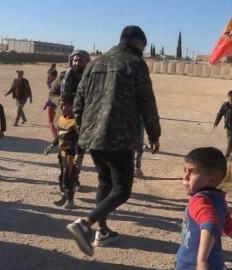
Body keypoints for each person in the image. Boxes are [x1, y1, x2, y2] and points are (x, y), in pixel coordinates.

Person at [66, 25, 161, 256]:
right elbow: (147, 101)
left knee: (104, 183)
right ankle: (85, 224)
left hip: (93, 135)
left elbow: (79, 100)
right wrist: (154, 134)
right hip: (119, 136)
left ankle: (103, 231)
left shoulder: (95, 63)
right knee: (122, 189)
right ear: (137, 43)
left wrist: (83, 128)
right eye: (142, 46)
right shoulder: (135, 64)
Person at [44, 69, 59, 138]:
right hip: (58, 104)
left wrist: (47, 104)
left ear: (53, 76)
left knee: (51, 121)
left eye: (49, 75)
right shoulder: (60, 82)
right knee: (57, 120)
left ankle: (55, 136)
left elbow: (51, 96)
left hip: (52, 104)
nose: (48, 77)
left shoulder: (53, 84)